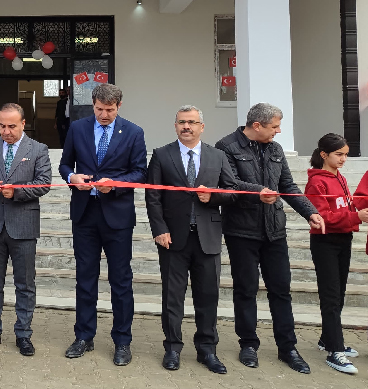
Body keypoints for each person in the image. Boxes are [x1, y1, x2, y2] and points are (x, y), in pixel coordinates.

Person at [215, 102, 324, 373]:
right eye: (274, 126)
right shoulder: (226, 146)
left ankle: (287, 347)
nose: (278, 131)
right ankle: (248, 344)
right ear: (257, 126)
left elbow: (287, 185)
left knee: (281, 290)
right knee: (246, 290)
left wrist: (310, 212)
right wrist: (258, 191)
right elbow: (228, 184)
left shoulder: (275, 149)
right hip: (241, 230)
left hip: (275, 231)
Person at [58, 83, 147, 366]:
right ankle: (84, 336)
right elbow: (64, 165)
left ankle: (122, 341)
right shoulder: (78, 128)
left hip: (117, 216)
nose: (104, 115)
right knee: (85, 278)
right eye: (99, 109)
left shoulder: (133, 132)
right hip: (85, 214)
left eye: (109, 110)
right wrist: (72, 178)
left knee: (120, 281)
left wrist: (116, 185)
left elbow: (140, 173)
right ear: (93, 104)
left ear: (119, 106)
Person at [145, 105, 238, 374]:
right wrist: (159, 229)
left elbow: (231, 191)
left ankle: (207, 349)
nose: (187, 127)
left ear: (202, 126)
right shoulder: (162, 155)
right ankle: (172, 348)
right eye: (182, 122)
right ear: (175, 126)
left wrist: (214, 196)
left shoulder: (217, 156)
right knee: (173, 297)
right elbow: (153, 197)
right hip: (172, 238)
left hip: (207, 237)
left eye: (192, 122)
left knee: (207, 296)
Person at [0, 103, 51, 356]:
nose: (6, 131)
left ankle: (23, 334)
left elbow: (44, 183)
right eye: (2, 126)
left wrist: (16, 192)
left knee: (25, 284)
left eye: (11, 126)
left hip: (23, 226)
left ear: (23, 124)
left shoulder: (38, 149)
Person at [304, 133, 364, 374]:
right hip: (325, 241)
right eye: (339, 154)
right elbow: (321, 218)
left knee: (338, 293)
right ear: (323, 154)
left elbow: (344, 206)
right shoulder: (316, 182)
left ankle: (327, 339)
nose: (343, 159)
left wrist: (355, 211)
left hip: (344, 238)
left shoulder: (339, 178)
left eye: (346, 155)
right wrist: (355, 216)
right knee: (330, 296)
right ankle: (335, 351)